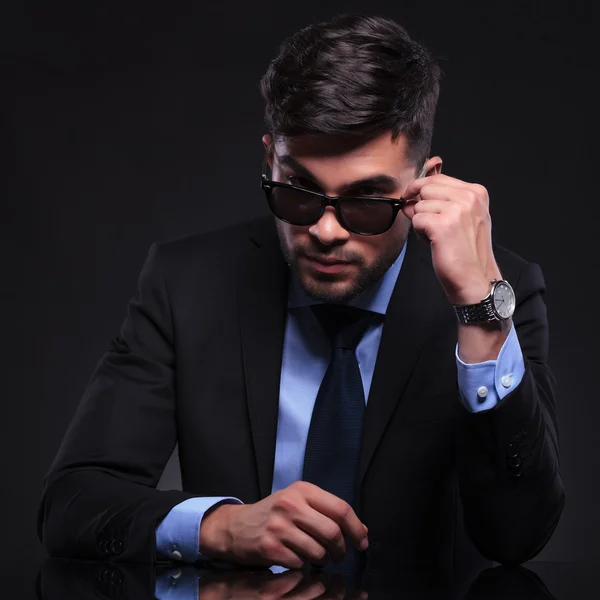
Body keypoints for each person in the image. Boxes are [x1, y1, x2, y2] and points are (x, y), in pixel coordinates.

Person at [37, 13, 565, 573]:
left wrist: (481, 313)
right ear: (271, 160)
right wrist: (217, 527)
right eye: (299, 193)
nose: (327, 232)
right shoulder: (185, 284)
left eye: (366, 202)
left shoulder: (500, 293)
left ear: (426, 185)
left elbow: (517, 536)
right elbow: (71, 503)